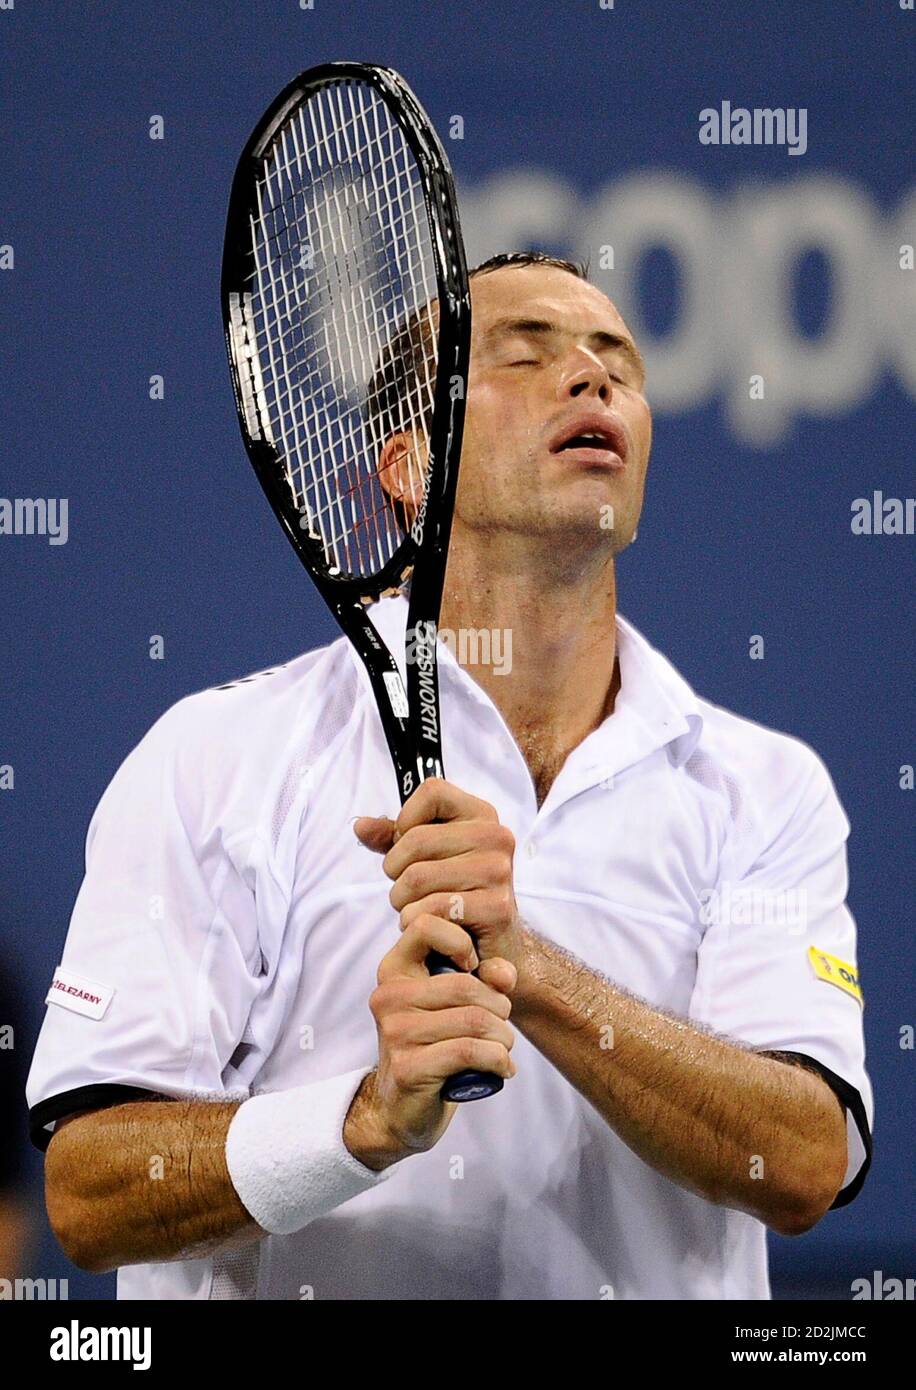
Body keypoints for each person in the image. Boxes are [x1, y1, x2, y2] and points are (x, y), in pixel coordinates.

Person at [26, 252, 872, 1300]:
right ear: (410, 465)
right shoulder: (216, 756)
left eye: (618, 361)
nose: (591, 378)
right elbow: (89, 1193)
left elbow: (803, 1162)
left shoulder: (762, 787)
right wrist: (361, 1122)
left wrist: (528, 968)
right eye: (524, 355)